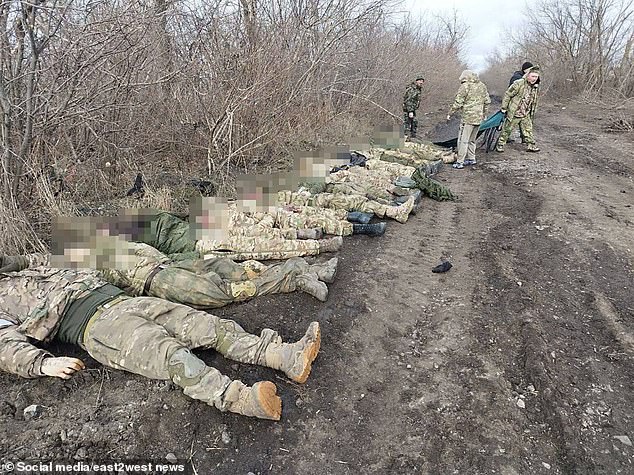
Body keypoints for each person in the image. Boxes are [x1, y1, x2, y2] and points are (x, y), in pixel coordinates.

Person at [0, 264, 321, 421]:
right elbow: (4, 345)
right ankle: (241, 400)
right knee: (171, 356)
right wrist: (43, 363)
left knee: (209, 326)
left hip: (125, 301)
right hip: (97, 327)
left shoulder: (24, 266)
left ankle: (284, 356)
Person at [446, 70, 491, 169]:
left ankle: (460, 162)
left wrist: (450, 113)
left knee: (463, 140)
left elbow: (458, 103)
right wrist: (485, 114)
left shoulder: (465, 86)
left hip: (468, 118)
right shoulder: (482, 86)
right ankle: (472, 158)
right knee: (472, 140)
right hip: (478, 118)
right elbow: (487, 101)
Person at [496, 65, 541, 153]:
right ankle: (500, 145)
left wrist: (533, 110)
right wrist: (504, 108)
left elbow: (534, 100)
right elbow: (508, 95)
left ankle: (531, 145)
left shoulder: (535, 87)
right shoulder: (518, 83)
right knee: (507, 130)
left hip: (525, 112)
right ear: (528, 75)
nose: (534, 78)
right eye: (533, 76)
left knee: (528, 129)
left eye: (536, 77)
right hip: (515, 112)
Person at [508, 61, 538, 143]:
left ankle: (524, 138)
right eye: (529, 69)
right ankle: (504, 139)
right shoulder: (517, 78)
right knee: (511, 122)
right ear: (525, 69)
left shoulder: (528, 77)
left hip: (525, 104)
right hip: (516, 104)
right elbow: (511, 92)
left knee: (524, 122)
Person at [402, 75, 425, 140]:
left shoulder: (418, 89)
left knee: (413, 122)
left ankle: (411, 137)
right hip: (409, 109)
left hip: (412, 109)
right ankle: (406, 137)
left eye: (422, 81)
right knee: (408, 123)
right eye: (420, 80)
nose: (421, 82)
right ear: (416, 81)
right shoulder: (412, 89)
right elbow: (408, 100)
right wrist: (410, 111)